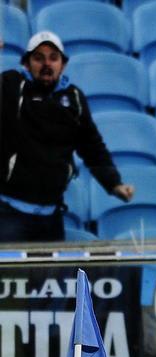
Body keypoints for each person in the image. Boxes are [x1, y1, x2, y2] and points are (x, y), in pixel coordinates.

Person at [0, 31, 134, 242]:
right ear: (26, 64)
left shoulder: (74, 98)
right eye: (38, 58)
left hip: (52, 218)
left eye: (54, 58)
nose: (47, 64)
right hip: (9, 216)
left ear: (63, 64)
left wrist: (113, 183)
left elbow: (92, 145)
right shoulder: (10, 86)